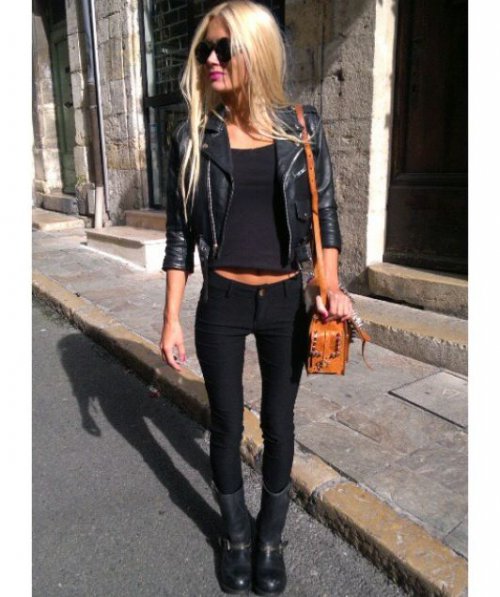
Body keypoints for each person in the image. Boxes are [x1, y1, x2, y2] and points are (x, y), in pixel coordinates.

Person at [159, 1, 353, 594]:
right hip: (221, 301)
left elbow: (323, 215)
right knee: (224, 422)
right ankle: (236, 535)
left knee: (278, 422)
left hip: (284, 303)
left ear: (257, 52)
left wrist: (330, 285)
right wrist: (170, 319)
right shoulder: (191, 137)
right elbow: (179, 236)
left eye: (224, 48)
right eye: (204, 50)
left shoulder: (303, 128)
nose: (211, 60)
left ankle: (270, 537)